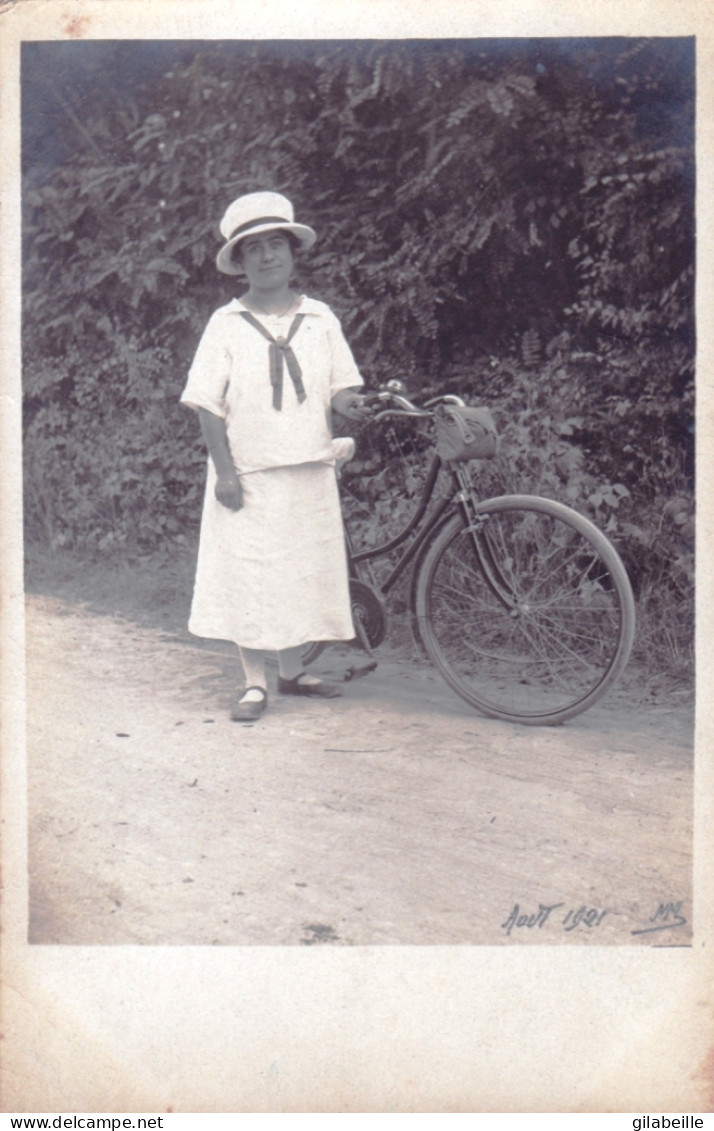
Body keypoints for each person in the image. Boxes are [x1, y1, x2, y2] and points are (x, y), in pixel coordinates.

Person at [180, 191, 371, 721]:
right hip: (250, 471)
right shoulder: (226, 324)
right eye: (254, 249)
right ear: (239, 263)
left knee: (301, 572)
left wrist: (361, 405)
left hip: (309, 466)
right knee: (251, 574)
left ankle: (292, 673)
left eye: (276, 245)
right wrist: (225, 473)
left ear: (292, 252)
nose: (267, 257)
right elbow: (207, 406)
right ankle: (254, 682)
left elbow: (339, 390)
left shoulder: (320, 318)